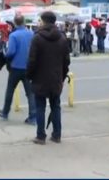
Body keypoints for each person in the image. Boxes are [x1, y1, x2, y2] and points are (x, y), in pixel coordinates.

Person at [26, 11, 70, 145]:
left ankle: (40, 136)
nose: (39, 22)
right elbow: (66, 61)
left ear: (44, 21)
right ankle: (57, 135)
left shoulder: (37, 38)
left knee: (40, 107)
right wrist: (62, 76)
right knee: (55, 106)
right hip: (56, 78)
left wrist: (29, 75)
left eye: (40, 20)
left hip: (40, 78)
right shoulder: (62, 38)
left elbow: (32, 60)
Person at [0, 15, 36, 125]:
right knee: (30, 93)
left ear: (15, 23)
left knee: (10, 91)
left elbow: (11, 52)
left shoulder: (13, 35)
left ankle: (5, 112)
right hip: (28, 67)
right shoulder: (31, 34)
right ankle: (33, 117)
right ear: (24, 22)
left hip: (15, 67)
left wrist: (4, 53)